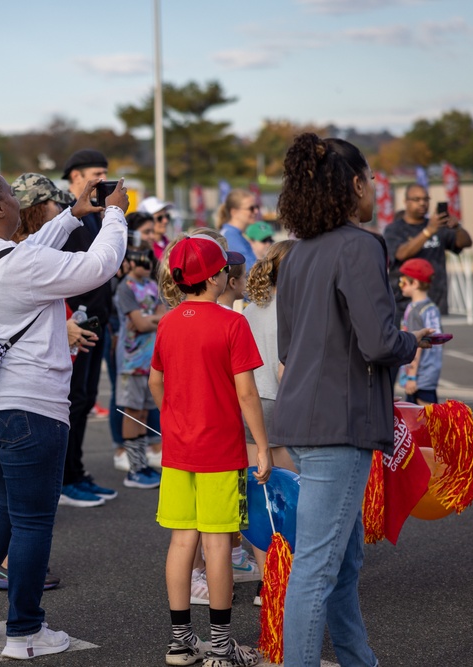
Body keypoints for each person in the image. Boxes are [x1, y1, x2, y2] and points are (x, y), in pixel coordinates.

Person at [0, 170, 128, 661]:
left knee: (5, 508)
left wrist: (71, 215)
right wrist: (116, 214)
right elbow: (100, 264)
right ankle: (25, 631)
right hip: (30, 408)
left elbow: (24, 256)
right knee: (33, 523)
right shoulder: (21, 261)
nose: (14, 198)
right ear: (0, 208)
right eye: (8, 192)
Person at [272, 133, 431, 667]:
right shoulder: (361, 245)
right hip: (340, 422)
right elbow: (382, 341)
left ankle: (358, 658)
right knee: (318, 566)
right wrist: (413, 342)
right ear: (356, 183)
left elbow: (288, 349)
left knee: (340, 560)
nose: (375, 195)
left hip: (304, 418)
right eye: (371, 183)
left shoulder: (296, 255)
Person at [149, 236, 271, 667]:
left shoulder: (167, 322)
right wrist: (261, 446)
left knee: (183, 540)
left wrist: (174, 418)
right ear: (217, 276)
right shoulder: (231, 323)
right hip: (221, 450)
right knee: (218, 544)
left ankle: (181, 642)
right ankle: (221, 645)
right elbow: (247, 394)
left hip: (179, 450)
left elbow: (156, 381)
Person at [58, 149, 120, 508]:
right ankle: (66, 478)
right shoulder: (69, 216)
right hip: (74, 322)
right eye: (96, 173)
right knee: (72, 401)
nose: (102, 180)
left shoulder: (98, 214)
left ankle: (76, 473)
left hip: (97, 322)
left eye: (105, 173)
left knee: (84, 400)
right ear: (75, 178)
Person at [241, 239, 298, 606]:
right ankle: (290, 574)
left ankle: (267, 580)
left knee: (258, 496)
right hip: (284, 401)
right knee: (292, 494)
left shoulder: (249, 309)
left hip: (250, 404)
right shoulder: (294, 308)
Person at [383, 183, 472, 324]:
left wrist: (457, 227)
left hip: (433, 300)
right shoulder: (394, 229)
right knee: (408, 343)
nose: (422, 203)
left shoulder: (437, 226)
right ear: (406, 201)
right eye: (417, 199)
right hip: (404, 302)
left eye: (426, 199)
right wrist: (428, 232)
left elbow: (465, 243)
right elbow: (400, 254)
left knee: (433, 343)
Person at [114, 241, 164, 489]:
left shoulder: (152, 285)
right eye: (141, 258)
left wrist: (148, 319)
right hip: (131, 361)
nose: (147, 264)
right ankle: (134, 469)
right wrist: (151, 319)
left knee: (144, 412)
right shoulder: (126, 287)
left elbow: (160, 318)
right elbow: (142, 324)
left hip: (151, 361)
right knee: (132, 411)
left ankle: (142, 464)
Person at [396, 258, 443, 406]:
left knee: (421, 421)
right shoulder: (431, 307)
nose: (400, 285)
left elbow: (415, 344)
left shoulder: (414, 311)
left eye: (403, 281)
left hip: (418, 377)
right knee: (431, 418)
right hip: (431, 374)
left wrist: (411, 377)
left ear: (415, 283)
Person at [216, 189, 259, 269]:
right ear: (234, 212)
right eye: (251, 208)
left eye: (257, 207)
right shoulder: (230, 236)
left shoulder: (234, 234)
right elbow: (250, 269)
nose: (256, 211)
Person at [139, 196, 173, 261]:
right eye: (159, 218)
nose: (165, 221)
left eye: (167, 216)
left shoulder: (170, 244)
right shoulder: (143, 250)